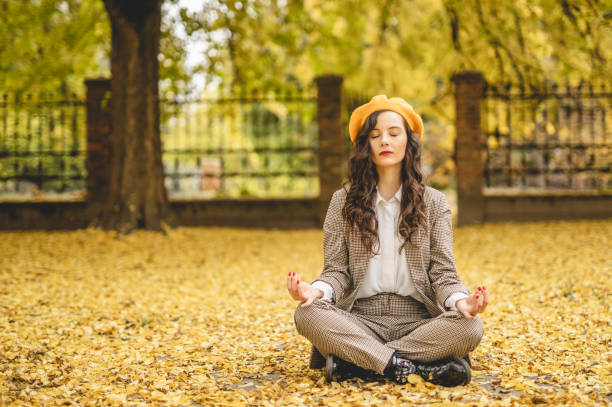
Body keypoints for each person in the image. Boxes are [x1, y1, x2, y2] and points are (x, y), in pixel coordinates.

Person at [286, 95, 489, 387]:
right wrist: (315, 292)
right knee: (307, 315)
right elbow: (336, 272)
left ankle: (358, 363)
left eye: (394, 134)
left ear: (409, 142)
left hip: (419, 322)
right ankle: (413, 366)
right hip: (360, 320)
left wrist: (462, 302)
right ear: (364, 146)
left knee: (470, 328)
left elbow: (443, 274)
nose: (385, 141)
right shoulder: (342, 202)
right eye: (375, 135)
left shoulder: (434, 203)